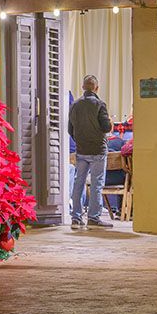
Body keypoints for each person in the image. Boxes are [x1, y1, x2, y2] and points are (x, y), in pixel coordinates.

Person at [69, 74, 113, 229]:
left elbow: (70, 129)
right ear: (96, 88)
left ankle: (76, 217)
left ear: (83, 87)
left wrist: (80, 140)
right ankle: (93, 218)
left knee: (78, 183)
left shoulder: (74, 105)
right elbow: (106, 127)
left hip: (81, 150)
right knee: (96, 184)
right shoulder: (100, 105)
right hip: (98, 150)